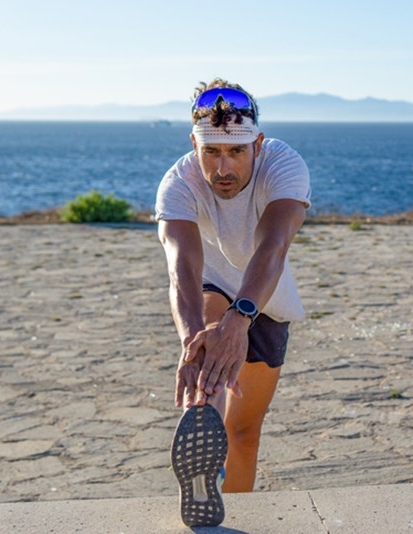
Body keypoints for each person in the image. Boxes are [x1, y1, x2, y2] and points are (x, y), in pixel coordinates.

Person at [155, 79, 311, 504]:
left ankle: (235, 508)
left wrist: (241, 319)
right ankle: (203, 422)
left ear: (257, 145)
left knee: (245, 433)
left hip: (267, 297)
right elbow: (182, 270)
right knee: (209, 328)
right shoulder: (178, 183)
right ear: (194, 144)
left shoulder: (284, 164)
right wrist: (191, 345)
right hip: (211, 284)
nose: (223, 169)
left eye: (236, 152)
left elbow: (273, 246)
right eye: (211, 152)